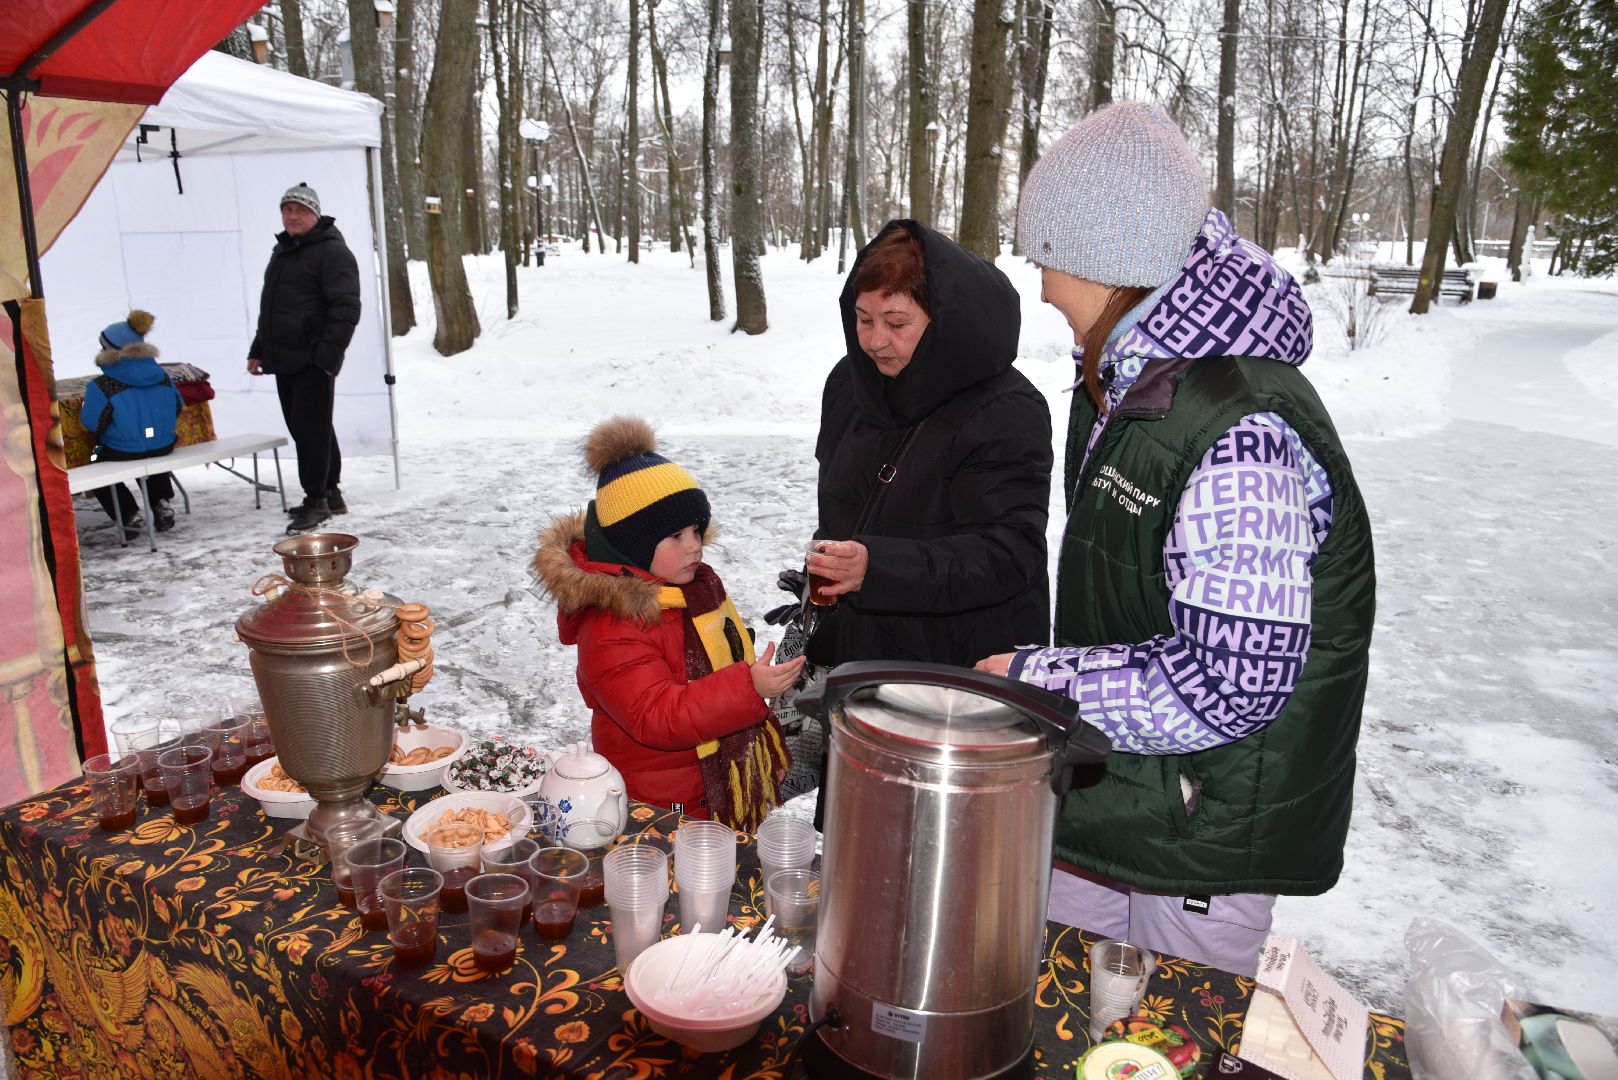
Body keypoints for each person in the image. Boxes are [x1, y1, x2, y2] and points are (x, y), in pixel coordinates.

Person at [976, 102, 1376, 977]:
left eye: (1047, 257)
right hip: (1119, 782)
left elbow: (1232, 683)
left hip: (1204, 822)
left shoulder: (1240, 435)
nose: (1041, 287)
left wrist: (1039, 682)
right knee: (1053, 994)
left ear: (1109, 258)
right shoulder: (1134, 380)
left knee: (1173, 1031)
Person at [803, 220, 1053, 669]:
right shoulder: (849, 383)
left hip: (957, 665)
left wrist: (877, 568)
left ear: (943, 320)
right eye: (863, 319)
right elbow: (844, 508)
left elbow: (1010, 554)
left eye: (896, 322)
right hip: (859, 650)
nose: (875, 341)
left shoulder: (1004, 409)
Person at [533, 416, 804, 830]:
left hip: (709, 788)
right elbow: (656, 715)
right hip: (660, 802)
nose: (695, 546)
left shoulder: (693, 591)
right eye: (676, 536)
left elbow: (723, 670)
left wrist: (761, 751)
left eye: (696, 530)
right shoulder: (612, 624)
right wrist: (748, 687)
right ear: (633, 546)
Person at [247, 182, 361, 534]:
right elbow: (273, 308)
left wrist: (327, 358)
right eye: (288, 210)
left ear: (315, 214)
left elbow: (346, 308)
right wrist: (258, 348)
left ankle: (316, 501)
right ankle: (331, 492)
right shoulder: (283, 251)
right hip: (285, 358)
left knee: (311, 431)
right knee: (309, 428)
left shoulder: (333, 253)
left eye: (301, 210)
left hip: (312, 359)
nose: (293, 216)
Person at [80, 310, 183, 535]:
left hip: (120, 449)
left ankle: (128, 514)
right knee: (149, 448)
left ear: (109, 351)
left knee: (93, 460)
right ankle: (161, 502)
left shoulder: (102, 385)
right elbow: (178, 406)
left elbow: (92, 424)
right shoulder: (163, 377)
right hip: (163, 444)